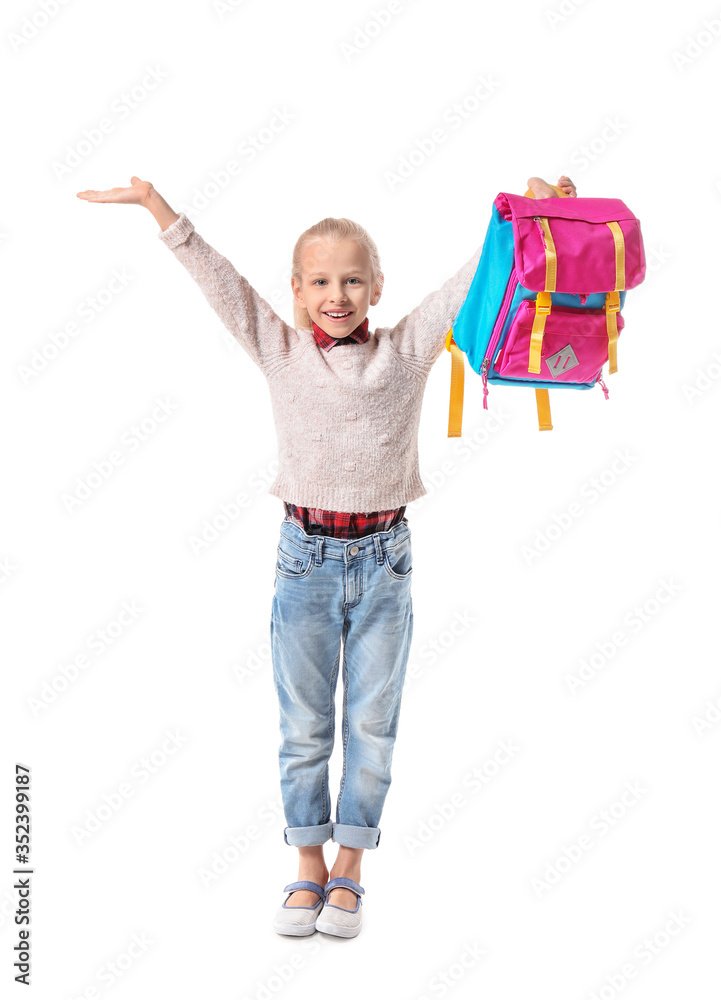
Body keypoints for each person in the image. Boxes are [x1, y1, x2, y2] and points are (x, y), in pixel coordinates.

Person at [75, 172, 577, 939]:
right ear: (297, 291)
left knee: (371, 726)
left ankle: (351, 867)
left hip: (385, 563)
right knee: (304, 726)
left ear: (376, 288)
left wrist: (535, 218)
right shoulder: (279, 349)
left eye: (350, 280)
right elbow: (220, 281)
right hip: (303, 562)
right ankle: (307, 864)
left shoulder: (407, 349)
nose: (335, 294)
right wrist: (156, 206)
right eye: (318, 281)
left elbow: (472, 277)